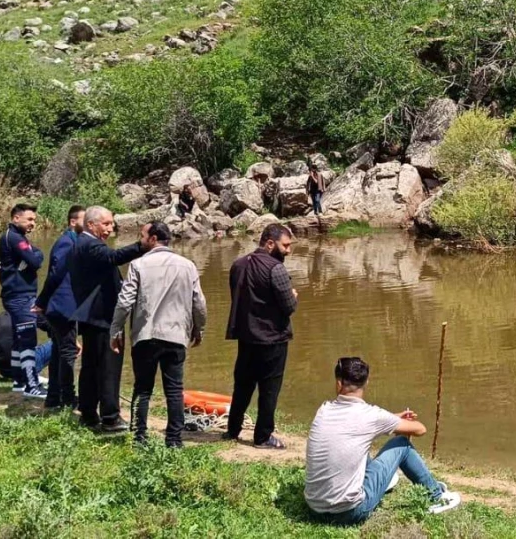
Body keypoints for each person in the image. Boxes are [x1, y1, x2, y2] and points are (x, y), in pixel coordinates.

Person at [304, 356, 462, 523]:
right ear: (366, 383)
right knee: (401, 444)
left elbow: (357, 426)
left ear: (338, 383)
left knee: (347, 444)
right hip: (350, 512)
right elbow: (420, 429)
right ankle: (436, 496)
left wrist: (392, 419)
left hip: (314, 508)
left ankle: (381, 482)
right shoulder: (370, 416)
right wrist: (399, 423)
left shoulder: (324, 410)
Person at [34, 206, 147, 431]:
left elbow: (56, 275)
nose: (111, 228)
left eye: (111, 223)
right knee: (108, 366)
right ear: (91, 224)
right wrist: (143, 246)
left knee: (91, 366)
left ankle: (88, 413)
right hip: (103, 316)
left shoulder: (80, 244)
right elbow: (114, 257)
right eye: (106, 224)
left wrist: (42, 301)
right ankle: (110, 417)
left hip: (92, 316)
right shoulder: (89, 244)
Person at [111, 221, 207, 447]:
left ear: (153, 238)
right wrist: (199, 329)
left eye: (142, 235)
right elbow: (199, 303)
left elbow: (124, 302)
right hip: (176, 336)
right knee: (174, 390)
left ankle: (138, 437)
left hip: (146, 335)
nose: (140, 240)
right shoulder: (188, 265)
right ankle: (174, 440)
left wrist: (115, 330)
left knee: (142, 388)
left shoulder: (138, 265)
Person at [224, 224, 298, 449]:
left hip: (246, 337)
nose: (288, 250)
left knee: (242, 386)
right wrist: (294, 296)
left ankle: (232, 430)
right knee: (269, 390)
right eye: (285, 245)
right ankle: (263, 437)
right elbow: (288, 307)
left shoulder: (238, 264)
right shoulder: (276, 269)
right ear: (269, 243)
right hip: (272, 339)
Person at [0, 203, 45, 397]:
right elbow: (36, 260)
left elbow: (37, 256)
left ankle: (19, 380)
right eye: (30, 219)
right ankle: (31, 386)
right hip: (20, 296)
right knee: (27, 340)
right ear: (16, 218)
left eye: (34, 219)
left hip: (17, 295)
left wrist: (35, 254)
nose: (33, 223)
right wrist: (34, 255)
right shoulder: (14, 238)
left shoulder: (16, 237)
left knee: (19, 340)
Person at [41, 205, 85, 410]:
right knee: (67, 352)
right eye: (85, 220)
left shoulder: (74, 241)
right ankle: (68, 398)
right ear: (73, 222)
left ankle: (53, 397)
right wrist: (42, 301)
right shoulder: (66, 243)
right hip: (62, 307)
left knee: (59, 350)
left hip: (63, 305)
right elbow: (55, 274)